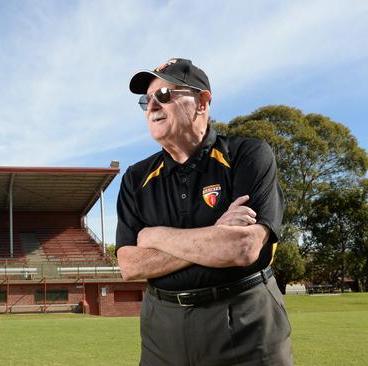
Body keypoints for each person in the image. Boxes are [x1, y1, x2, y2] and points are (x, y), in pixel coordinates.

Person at [116, 58, 293, 366]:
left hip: (245, 319)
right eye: (147, 99)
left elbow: (241, 247)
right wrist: (214, 235)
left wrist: (154, 236)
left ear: (202, 101)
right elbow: (129, 265)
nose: (152, 106)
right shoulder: (135, 177)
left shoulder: (247, 154)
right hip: (161, 327)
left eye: (164, 95)